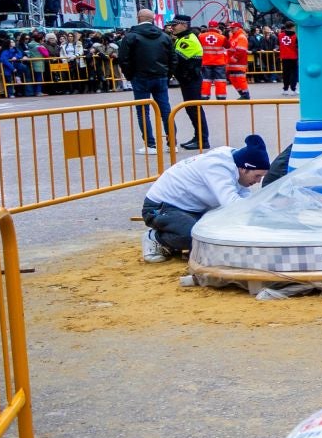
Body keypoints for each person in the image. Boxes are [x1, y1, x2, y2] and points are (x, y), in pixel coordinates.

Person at [139, 133, 269, 260]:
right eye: (257, 176)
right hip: (161, 207)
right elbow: (232, 205)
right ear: (244, 169)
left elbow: (246, 203)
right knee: (197, 237)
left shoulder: (238, 164)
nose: (258, 181)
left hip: (190, 209)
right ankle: (154, 238)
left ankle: (177, 239)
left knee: (216, 232)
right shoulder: (218, 167)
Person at [115, 15, 176, 154]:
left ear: (138, 18)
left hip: (140, 77)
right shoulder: (164, 36)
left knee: (143, 112)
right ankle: (172, 143)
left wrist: (130, 75)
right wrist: (167, 74)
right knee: (166, 110)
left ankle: (150, 144)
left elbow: (123, 58)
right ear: (152, 18)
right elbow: (173, 58)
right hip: (160, 76)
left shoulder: (131, 36)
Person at [168, 15, 209, 149]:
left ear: (184, 25)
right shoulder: (183, 39)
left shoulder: (188, 40)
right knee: (191, 109)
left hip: (191, 79)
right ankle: (198, 137)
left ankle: (202, 139)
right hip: (189, 79)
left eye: (175, 25)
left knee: (194, 109)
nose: (172, 27)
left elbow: (176, 59)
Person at [197, 21, 229, 98]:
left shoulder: (201, 36)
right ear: (217, 27)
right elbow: (228, 46)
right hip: (219, 62)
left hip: (206, 62)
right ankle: (221, 96)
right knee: (220, 80)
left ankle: (204, 96)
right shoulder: (222, 37)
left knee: (206, 80)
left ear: (208, 27)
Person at [227, 21, 251, 99]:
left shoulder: (241, 37)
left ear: (238, 28)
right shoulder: (233, 36)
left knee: (240, 79)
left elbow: (241, 50)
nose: (231, 29)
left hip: (238, 63)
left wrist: (233, 58)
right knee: (233, 78)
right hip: (232, 63)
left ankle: (245, 95)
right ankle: (242, 94)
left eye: (232, 28)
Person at [276, 24, 299, 92]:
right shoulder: (295, 36)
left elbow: (278, 44)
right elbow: (297, 46)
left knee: (285, 73)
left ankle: (285, 89)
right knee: (293, 73)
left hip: (284, 57)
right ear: (292, 27)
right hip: (293, 57)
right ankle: (293, 89)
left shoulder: (280, 35)